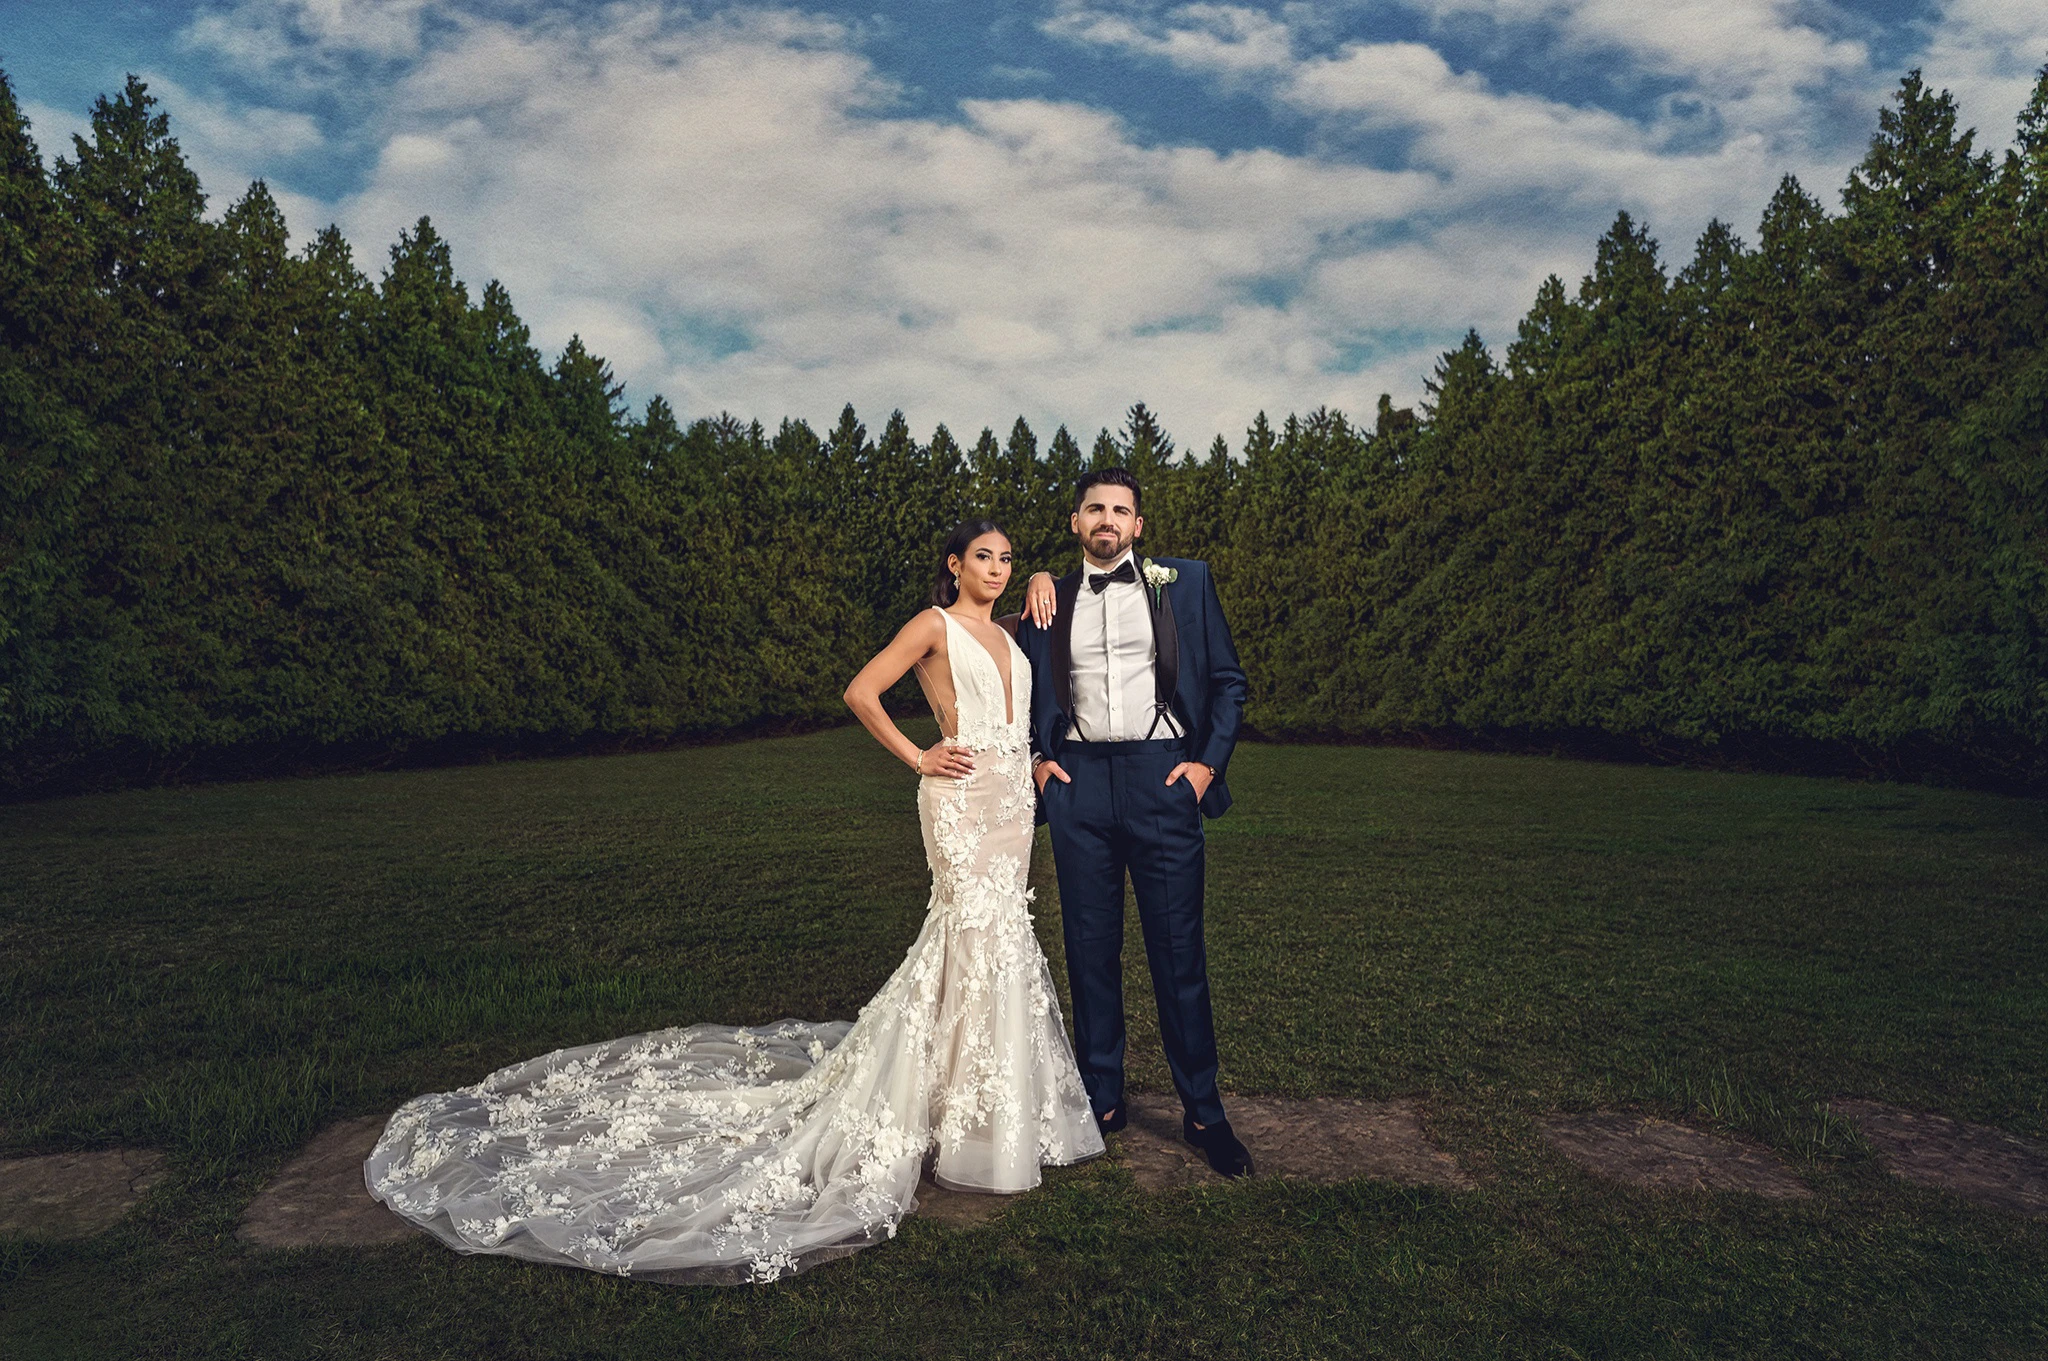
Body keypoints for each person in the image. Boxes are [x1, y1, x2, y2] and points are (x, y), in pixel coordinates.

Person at [364, 520, 1102, 1285]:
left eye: (1008, 558)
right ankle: (967, 1123)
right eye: (984, 556)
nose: (998, 568)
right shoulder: (931, 624)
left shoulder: (1013, 627)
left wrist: (1047, 575)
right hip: (958, 795)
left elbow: (1048, 618)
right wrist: (919, 754)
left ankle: (978, 1110)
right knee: (968, 933)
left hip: (1013, 802)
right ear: (954, 565)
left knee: (999, 936)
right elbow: (860, 690)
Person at [1014, 468, 1253, 1178]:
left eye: (1120, 509)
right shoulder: (1047, 598)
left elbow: (1231, 684)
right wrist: (1034, 758)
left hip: (1163, 777)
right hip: (1079, 785)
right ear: (1075, 521)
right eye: (1095, 508)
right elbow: (1013, 685)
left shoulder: (1185, 582)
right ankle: (1102, 1097)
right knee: (1090, 951)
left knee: (1179, 952)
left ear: (1138, 526)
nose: (1107, 519)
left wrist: (1206, 764)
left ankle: (1204, 1110)